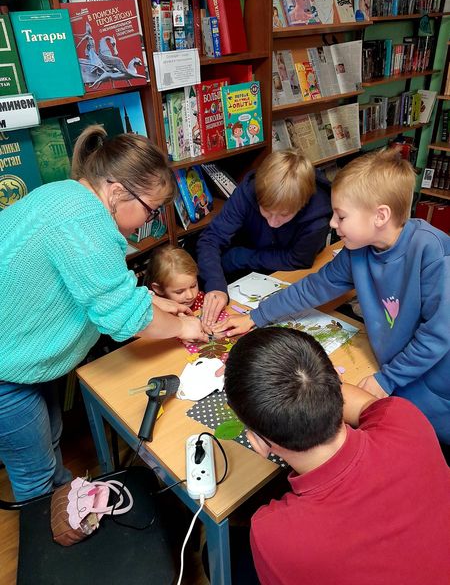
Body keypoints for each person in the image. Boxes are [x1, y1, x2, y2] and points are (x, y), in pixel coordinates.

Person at [0, 125, 207, 501]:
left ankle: (63, 501)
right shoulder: (86, 222)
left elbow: (94, 286)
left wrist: (151, 300)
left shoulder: (67, 194)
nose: (148, 221)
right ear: (116, 191)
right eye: (150, 210)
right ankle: (50, 522)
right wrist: (183, 326)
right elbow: (125, 318)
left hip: (20, 355)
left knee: (50, 442)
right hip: (6, 370)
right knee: (34, 476)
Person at [216, 149, 450, 444]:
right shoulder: (358, 251)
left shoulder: (433, 253)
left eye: (341, 216)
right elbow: (314, 287)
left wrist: (388, 378)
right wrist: (256, 315)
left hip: (435, 388)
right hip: (394, 373)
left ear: (380, 216)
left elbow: (438, 335)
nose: (332, 224)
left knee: (424, 448)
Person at [224, 327, 450, 585]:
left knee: (226, 556)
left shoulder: (272, 532)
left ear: (258, 442)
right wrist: (314, 386)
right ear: (337, 383)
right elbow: (362, 403)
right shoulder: (404, 419)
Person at [197, 149, 332, 325]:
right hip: (244, 271)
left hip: (286, 272)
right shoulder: (249, 190)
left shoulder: (319, 217)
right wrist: (215, 285)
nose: (273, 223)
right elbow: (211, 238)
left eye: (284, 215)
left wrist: (241, 257)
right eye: (266, 211)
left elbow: (299, 259)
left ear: (302, 205)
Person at [145, 244, 225, 321]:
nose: (190, 296)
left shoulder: (200, 299)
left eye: (193, 286)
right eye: (179, 291)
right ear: (159, 289)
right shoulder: (155, 314)